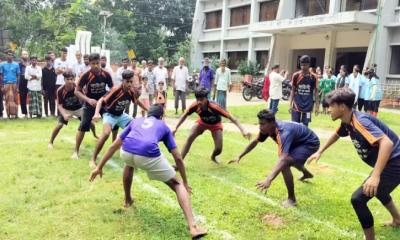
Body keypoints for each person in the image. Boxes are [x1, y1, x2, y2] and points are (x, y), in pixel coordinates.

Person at [89, 104, 207, 238]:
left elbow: (113, 146)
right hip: (146, 153)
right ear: (162, 116)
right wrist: (185, 182)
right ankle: (193, 227)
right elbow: (178, 158)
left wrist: (99, 167)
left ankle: (127, 200)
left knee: (129, 163)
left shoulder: (136, 121)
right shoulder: (163, 126)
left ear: (147, 114)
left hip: (126, 151)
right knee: (177, 184)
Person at [308, 88, 400, 240]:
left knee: (358, 199)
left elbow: (387, 143)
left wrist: (375, 176)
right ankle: (397, 220)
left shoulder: (360, 122)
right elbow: (337, 134)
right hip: (393, 162)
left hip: (395, 162)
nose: (328, 109)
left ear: (342, 107)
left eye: (331, 105)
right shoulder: (347, 121)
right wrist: (320, 151)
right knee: (378, 191)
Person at [230, 109, 320, 207]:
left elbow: (283, 159)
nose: (260, 127)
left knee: (285, 163)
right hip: (297, 141)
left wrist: (268, 179)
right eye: (259, 124)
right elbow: (256, 141)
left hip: (310, 142)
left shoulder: (283, 132)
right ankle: (306, 174)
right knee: (291, 160)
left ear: (272, 122)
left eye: (263, 124)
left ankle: (292, 199)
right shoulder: (267, 128)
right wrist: (240, 155)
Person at [173, 87, 251, 163]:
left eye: (201, 99)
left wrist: (243, 130)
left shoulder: (215, 106)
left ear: (206, 98)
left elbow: (231, 117)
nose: (199, 102)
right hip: (202, 122)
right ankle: (179, 163)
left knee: (218, 149)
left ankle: (213, 156)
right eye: (197, 100)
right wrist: (175, 128)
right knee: (190, 137)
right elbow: (184, 115)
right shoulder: (194, 106)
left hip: (216, 125)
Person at [90, 70, 147, 168]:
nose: (129, 84)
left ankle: (135, 155)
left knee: (137, 128)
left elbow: (136, 101)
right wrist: (96, 114)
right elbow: (100, 101)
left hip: (121, 115)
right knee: (106, 134)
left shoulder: (131, 91)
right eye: (127, 81)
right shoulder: (116, 90)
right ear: (123, 81)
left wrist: (148, 109)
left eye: (131, 82)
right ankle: (93, 159)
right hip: (109, 114)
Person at [73, 53, 114, 159]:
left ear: (100, 62)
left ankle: (114, 146)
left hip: (103, 104)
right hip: (89, 103)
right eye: (93, 63)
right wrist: (88, 99)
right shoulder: (86, 75)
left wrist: (105, 97)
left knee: (111, 123)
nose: (96, 65)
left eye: (97, 63)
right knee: (83, 126)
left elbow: (112, 88)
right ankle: (75, 151)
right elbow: (77, 91)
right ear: (89, 64)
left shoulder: (106, 74)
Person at [48, 71, 97, 148]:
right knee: (60, 125)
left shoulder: (78, 88)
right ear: (64, 79)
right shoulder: (60, 90)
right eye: (68, 79)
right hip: (66, 109)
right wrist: (64, 115)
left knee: (90, 122)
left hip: (78, 108)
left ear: (74, 79)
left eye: (72, 79)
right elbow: (59, 105)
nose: (70, 81)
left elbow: (85, 98)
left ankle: (95, 135)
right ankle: (51, 142)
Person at [289, 55, 317, 127]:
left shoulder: (313, 77)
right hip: (296, 104)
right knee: (295, 125)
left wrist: (317, 106)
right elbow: (293, 90)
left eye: (305, 65)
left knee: (305, 126)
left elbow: (316, 92)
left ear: (308, 65)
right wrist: (290, 105)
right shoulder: (296, 75)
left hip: (308, 106)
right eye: (301, 65)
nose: (303, 67)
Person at [0, 51, 20, 118]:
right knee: (7, 100)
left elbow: (18, 76)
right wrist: (2, 86)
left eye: (11, 55)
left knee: (15, 99)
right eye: (8, 55)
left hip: (14, 84)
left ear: (12, 56)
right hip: (6, 84)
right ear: (6, 56)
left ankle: (16, 115)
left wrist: (17, 86)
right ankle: (8, 115)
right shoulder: (2, 65)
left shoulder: (16, 65)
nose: (9, 56)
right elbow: (1, 76)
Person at [19, 50, 30, 117]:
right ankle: (25, 113)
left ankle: (32, 112)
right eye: (24, 54)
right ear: (21, 56)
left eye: (26, 54)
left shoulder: (31, 63)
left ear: (28, 56)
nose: (25, 55)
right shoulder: (19, 64)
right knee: (22, 97)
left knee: (31, 96)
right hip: (22, 81)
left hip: (30, 80)